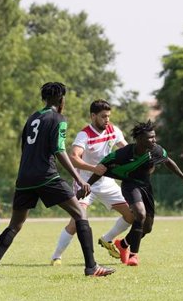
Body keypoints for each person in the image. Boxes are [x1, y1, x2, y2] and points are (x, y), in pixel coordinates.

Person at [0, 82, 115, 278]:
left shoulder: (32, 118)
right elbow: (59, 149)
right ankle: (91, 267)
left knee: (15, 225)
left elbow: (24, 148)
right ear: (61, 100)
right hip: (46, 176)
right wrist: (78, 178)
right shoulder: (59, 119)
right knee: (80, 214)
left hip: (25, 177)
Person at [77, 120, 183, 266]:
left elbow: (167, 161)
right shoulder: (123, 154)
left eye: (154, 136)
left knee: (147, 228)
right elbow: (101, 168)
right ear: (139, 139)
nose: (154, 140)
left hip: (146, 187)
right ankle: (134, 256)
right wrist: (87, 186)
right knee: (140, 214)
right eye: (150, 137)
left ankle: (123, 244)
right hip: (130, 186)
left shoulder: (155, 150)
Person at [49, 99, 134, 265]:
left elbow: (126, 150)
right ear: (93, 116)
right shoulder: (84, 135)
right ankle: (56, 256)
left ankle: (107, 239)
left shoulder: (113, 130)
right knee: (77, 221)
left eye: (108, 116)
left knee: (131, 215)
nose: (107, 119)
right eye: (103, 116)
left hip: (106, 183)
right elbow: (73, 158)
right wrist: (93, 168)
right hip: (86, 183)